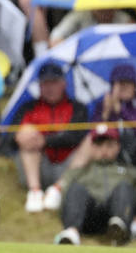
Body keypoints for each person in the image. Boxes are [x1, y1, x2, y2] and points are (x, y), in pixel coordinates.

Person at [6, 62, 88, 213]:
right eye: (45, 83)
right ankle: (35, 191)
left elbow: (76, 137)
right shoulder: (28, 107)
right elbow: (9, 139)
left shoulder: (78, 107)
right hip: (37, 167)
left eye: (54, 82)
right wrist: (23, 136)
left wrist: (44, 140)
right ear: (39, 86)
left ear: (64, 84)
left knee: (90, 141)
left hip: (67, 167)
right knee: (26, 133)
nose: (50, 88)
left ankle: (58, 188)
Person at [46, 125, 136, 246]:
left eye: (109, 145)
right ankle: (72, 232)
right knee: (76, 188)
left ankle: (119, 230)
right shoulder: (78, 172)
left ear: (117, 147)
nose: (104, 150)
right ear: (91, 148)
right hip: (87, 217)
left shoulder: (132, 172)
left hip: (114, 215)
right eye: (99, 145)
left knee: (124, 187)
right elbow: (66, 200)